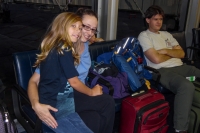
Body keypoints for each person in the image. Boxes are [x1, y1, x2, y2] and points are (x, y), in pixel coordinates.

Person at [28, 8, 115, 133]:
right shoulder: (61, 49)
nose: (89, 32)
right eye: (86, 27)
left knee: (96, 118)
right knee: (106, 103)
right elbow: (33, 81)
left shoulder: (84, 44)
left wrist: (95, 39)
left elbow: (90, 38)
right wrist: (36, 104)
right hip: (65, 96)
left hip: (76, 95)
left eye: (93, 29)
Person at [138, 5, 200, 133]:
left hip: (180, 66)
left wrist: (165, 51)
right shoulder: (144, 36)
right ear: (148, 20)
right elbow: (156, 59)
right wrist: (172, 53)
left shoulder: (167, 35)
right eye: (155, 19)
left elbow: (182, 54)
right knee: (186, 86)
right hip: (161, 70)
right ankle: (180, 129)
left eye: (160, 19)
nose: (159, 22)